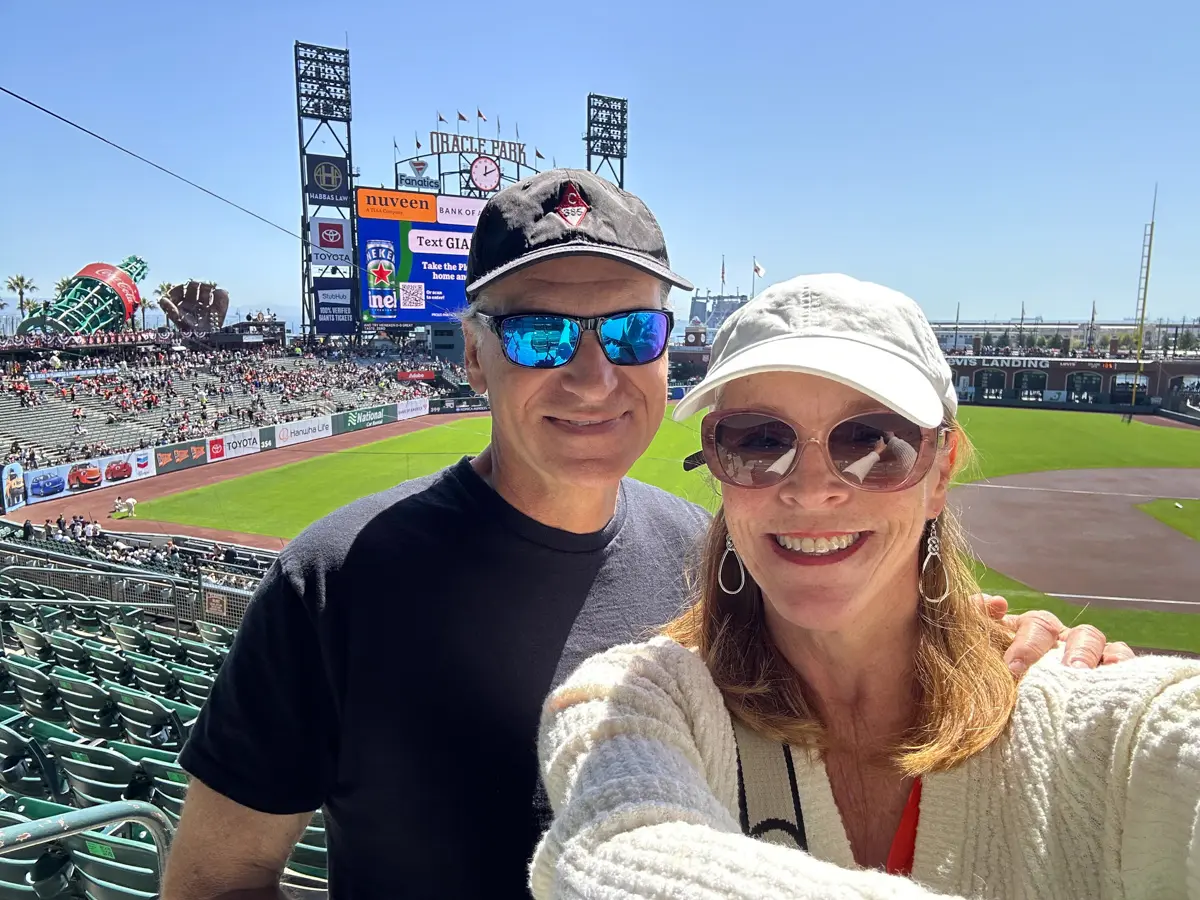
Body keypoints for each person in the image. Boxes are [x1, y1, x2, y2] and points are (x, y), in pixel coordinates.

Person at [164, 176, 1124, 900]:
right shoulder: (335, 577)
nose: (592, 376)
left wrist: (1027, 657)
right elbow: (217, 877)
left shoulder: (711, 552)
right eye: (541, 336)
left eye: (629, 333)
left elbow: (877, 663)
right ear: (472, 355)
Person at [531, 274, 1185, 900]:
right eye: (759, 441)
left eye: (874, 440)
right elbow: (610, 853)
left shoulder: (1096, 721)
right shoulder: (632, 702)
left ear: (939, 470)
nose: (814, 489)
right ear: (719, 469)